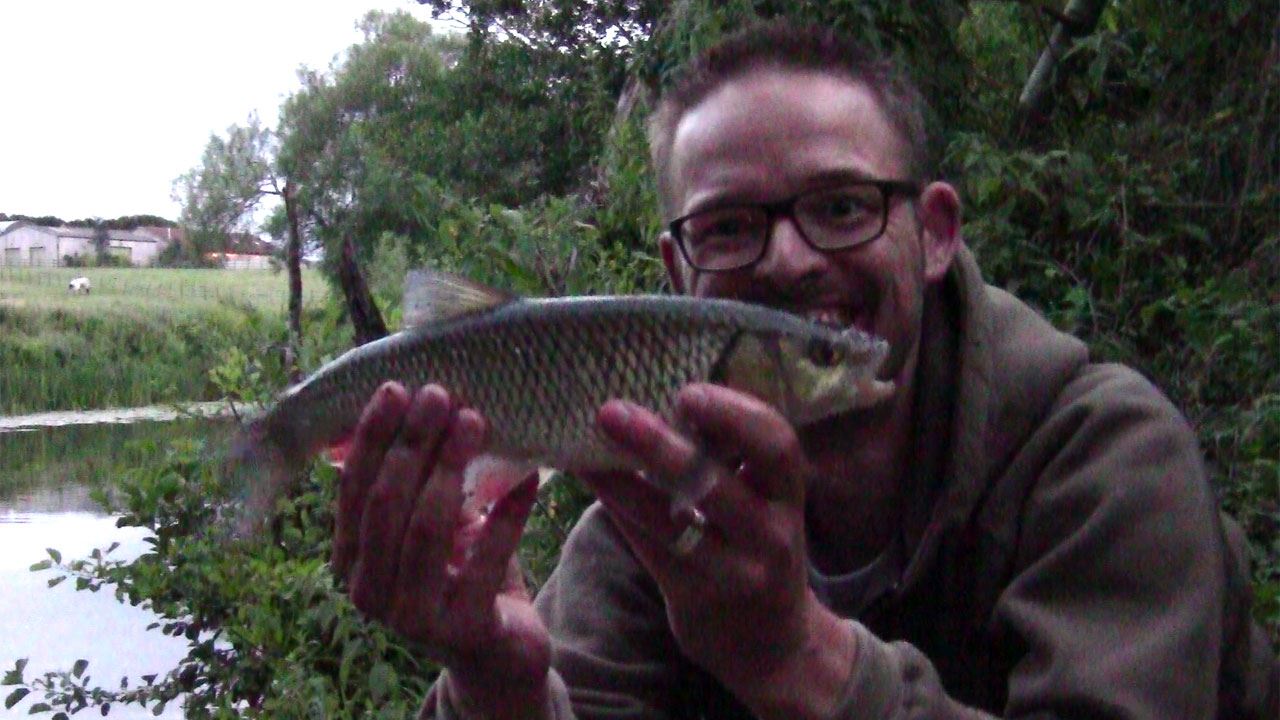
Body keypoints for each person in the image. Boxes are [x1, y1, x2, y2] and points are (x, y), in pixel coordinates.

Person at [329, 20, 1278, 719]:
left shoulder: (1107, 463)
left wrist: (800, 659)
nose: (787, 260)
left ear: (936, 231)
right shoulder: (646, 519)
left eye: (841, 205)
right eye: (731, 227)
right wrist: (498, 685)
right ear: (680, 273)